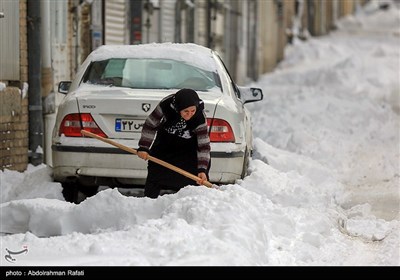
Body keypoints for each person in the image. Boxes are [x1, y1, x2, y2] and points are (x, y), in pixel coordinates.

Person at [137, 88, 211, 198]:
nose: (189, 115)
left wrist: (202, 169)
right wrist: (144, 147)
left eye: (192, 111)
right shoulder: (166, 105)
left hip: (188, 150)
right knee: (155, 175)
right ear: (178, 108)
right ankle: (149, 205)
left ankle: (192, 207)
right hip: (164, 145)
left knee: (194, 180)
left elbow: (203, 146)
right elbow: (150, 125)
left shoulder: (199, 117)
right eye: (186, 111)